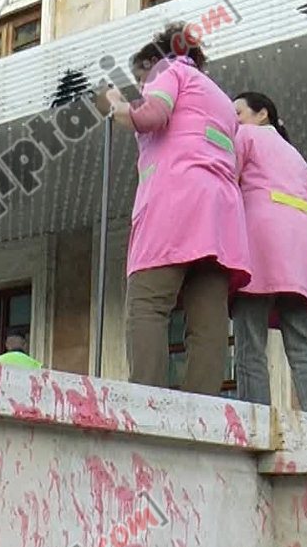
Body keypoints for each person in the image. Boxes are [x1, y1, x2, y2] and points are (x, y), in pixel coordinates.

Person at [97, 23, 251, 394]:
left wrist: (114, 103)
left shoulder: (168, 69)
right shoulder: (219, 97)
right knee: (208, 320)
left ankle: (146, 398)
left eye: (141, 77)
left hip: (174, 202)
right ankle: (203, 404)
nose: (142, 84)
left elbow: (152, 115)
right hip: (221, 213)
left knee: (148, 303)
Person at [229, 92, 307, 416]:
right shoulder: (297, 157)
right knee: (304, 345)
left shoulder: (245, 136)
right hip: (304, 247)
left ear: (262, 114)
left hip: (262, 238)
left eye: (238, 112)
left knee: (249, 341)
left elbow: (227, 179)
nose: (233, 120)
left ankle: (256, 419)